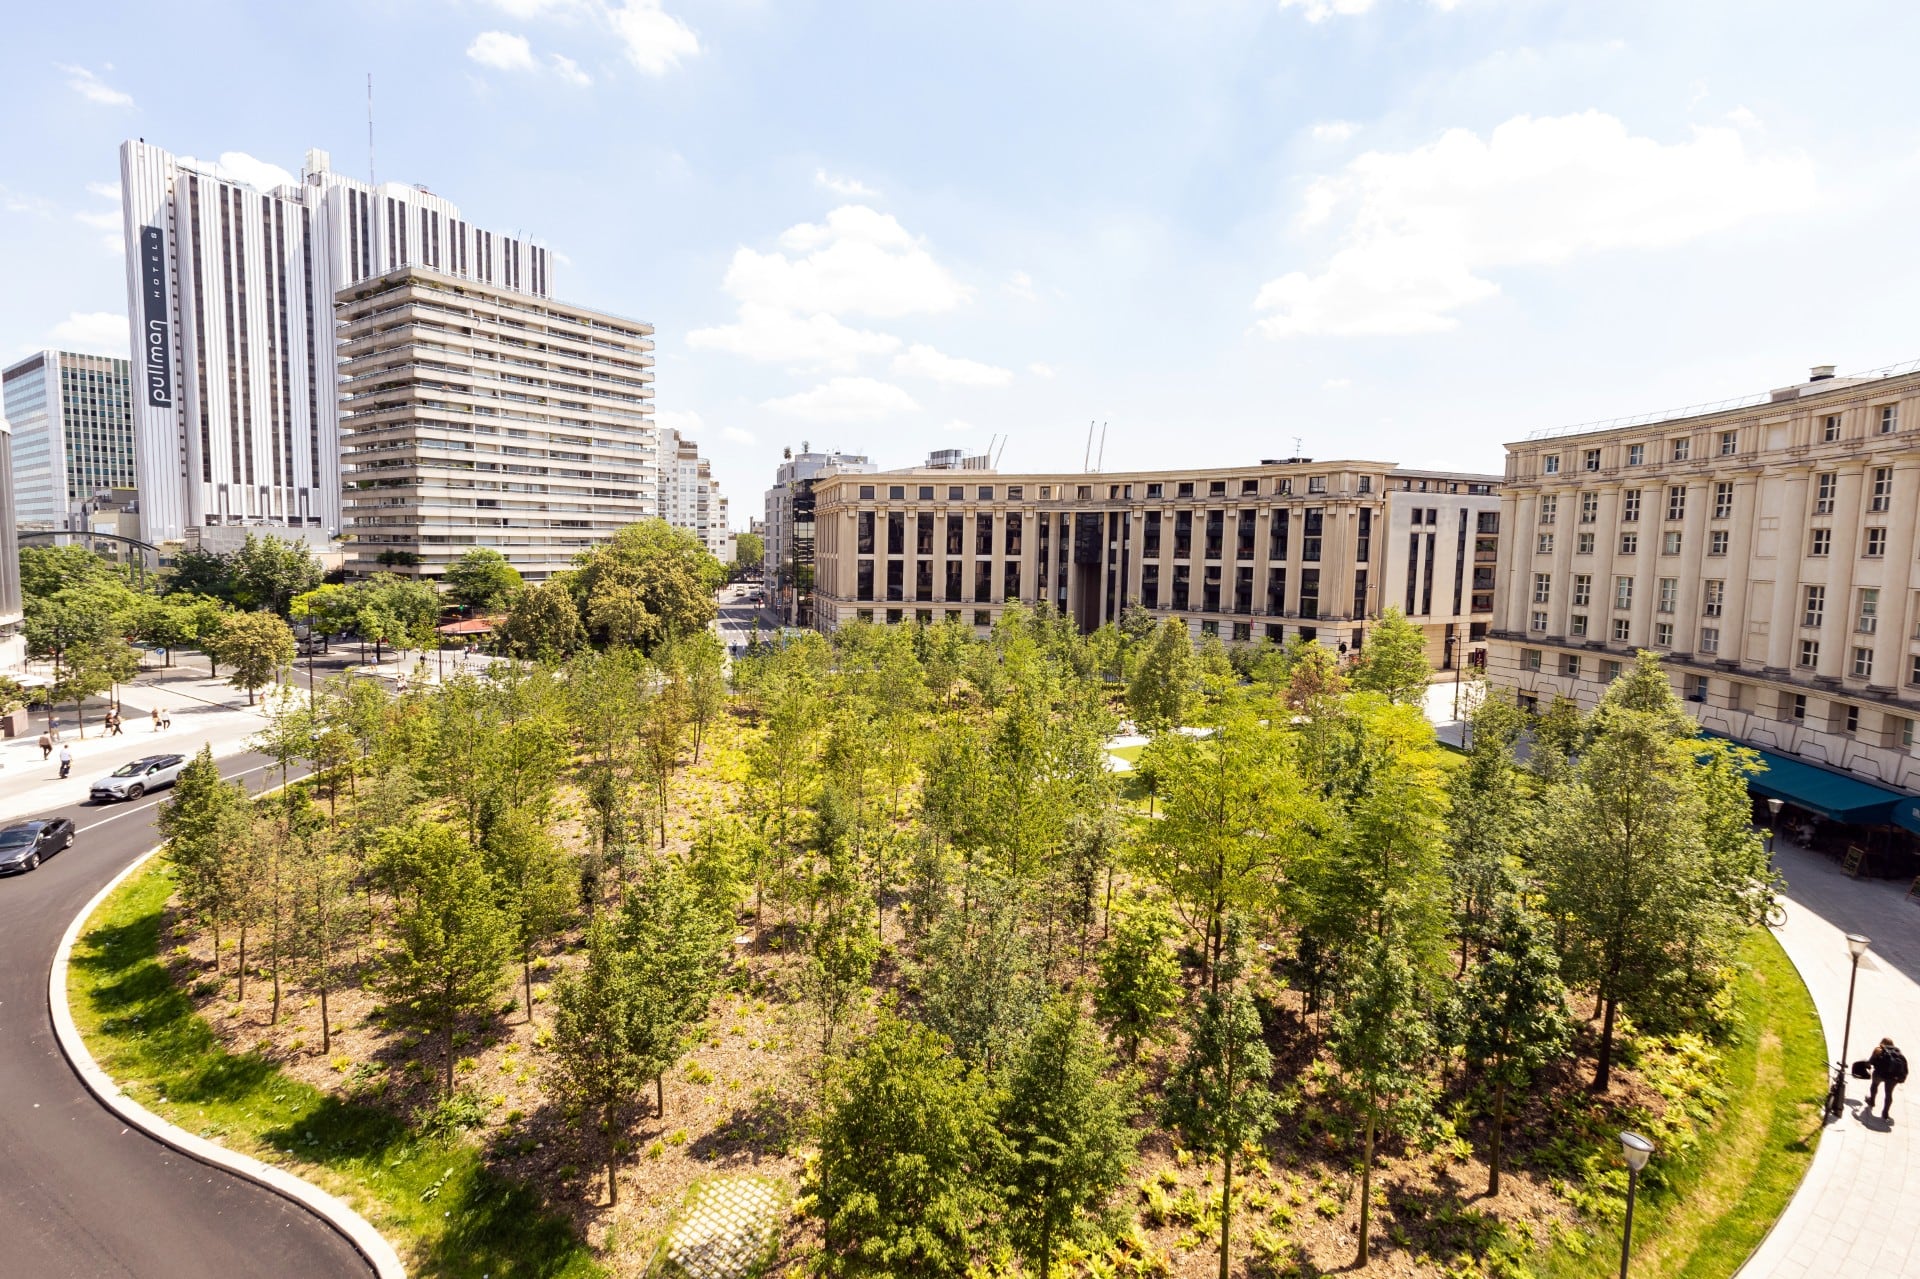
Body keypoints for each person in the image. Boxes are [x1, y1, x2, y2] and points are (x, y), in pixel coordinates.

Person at [1866, 1037, 1907, 1119]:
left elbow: (1870, 1062)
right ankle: (1885, 1113)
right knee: (1889, 1094)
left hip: (1879, 1074)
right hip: (1892, 1078)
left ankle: (1872, 1101)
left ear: (1882, 1043)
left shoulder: (1878, 1050)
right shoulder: (1898, 1053)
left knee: (1874, 1085)